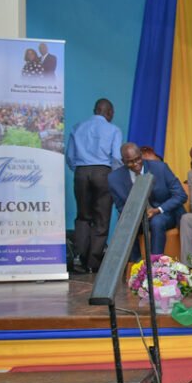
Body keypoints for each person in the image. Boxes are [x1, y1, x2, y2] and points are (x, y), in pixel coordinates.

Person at [65, 98, 123, 273]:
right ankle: (93, 263)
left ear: (94, 109)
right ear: (109, 112)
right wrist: (112, 177)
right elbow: (116, 158)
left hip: (81, 173)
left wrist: (80, 170)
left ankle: (78, 259)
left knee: (83, 217)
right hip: (103, 173)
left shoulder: (77, 127)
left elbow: (69, 156)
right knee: (101, 219)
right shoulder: (114, 129)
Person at [108, 142, 188, 262]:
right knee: (124, 222)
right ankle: (135, 266)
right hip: (138, 218)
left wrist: (158, 210)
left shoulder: (160, 168)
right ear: (123, 161)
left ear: (141, 155)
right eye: (130, 161)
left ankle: (155, 265)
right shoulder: (114, 178)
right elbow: (120, 206)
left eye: (138, 159)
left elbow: (181, 195)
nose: (135, 164)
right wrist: (136, 215)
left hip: (164, 213)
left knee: (157, 221)